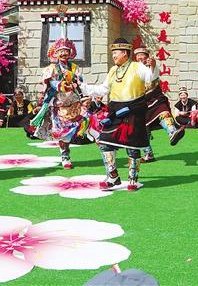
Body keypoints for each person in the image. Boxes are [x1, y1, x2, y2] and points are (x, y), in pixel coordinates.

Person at [81, 38, 158, 190]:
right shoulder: (112, 71)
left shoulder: (137, 67)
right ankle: (113, 176)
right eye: (113, 53)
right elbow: (102, 89)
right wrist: (82, 87)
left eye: (115, 53)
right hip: (115, 111)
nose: (114, 56)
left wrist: (154, 66)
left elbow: (151, 79)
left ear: (124, 53)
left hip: (133, 110)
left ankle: (132, 179)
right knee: (105, 142)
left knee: (132, 146)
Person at [33, 37, 89, 169]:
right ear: (56, 53)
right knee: (63, 133)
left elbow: (80, 82)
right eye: (61, 51)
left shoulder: (74, 68)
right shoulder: (52, 68)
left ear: (70, 53)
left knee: (87, 120)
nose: (64, 54)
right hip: (60, 104)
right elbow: (50, 82)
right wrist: (61, 85)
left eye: (66, 51)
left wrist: (76, 83)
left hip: (75, 103)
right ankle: (65, 156)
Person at [134, 46, 185, 163]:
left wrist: (153, 64)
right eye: (138, 56)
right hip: (141, 104)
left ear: (147, 58)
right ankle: (148, 154)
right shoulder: (134, 71)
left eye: (142, 56)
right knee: (142, 129)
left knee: (164, 113)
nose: (140, 58)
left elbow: (153, 73)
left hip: (156, 99)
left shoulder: (152, 68)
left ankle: (172, 132)